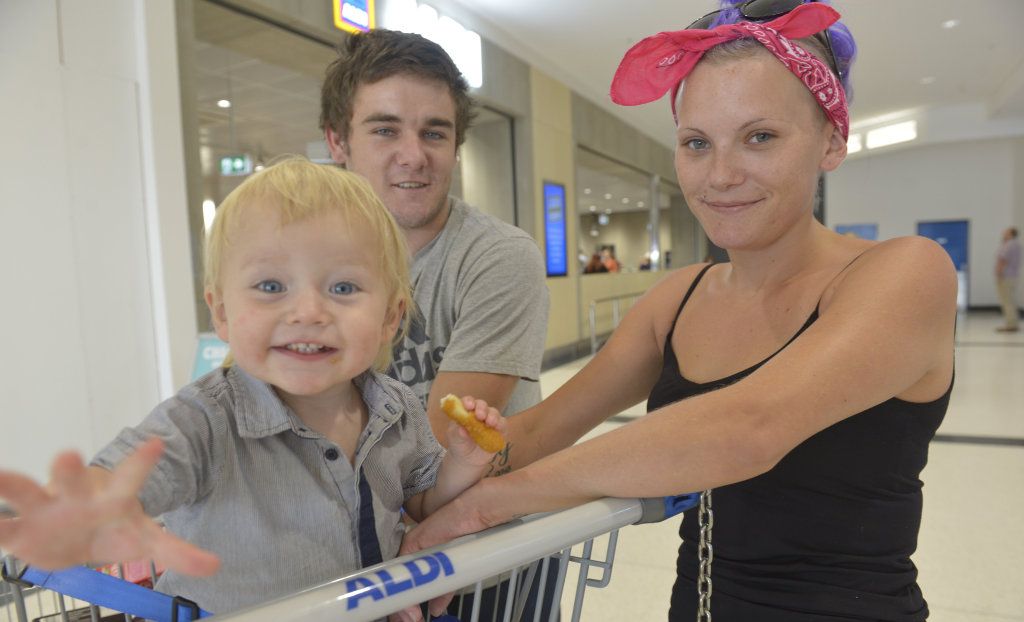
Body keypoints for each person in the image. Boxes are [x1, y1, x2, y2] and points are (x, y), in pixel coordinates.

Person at [398, 2, 957, 621]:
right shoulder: (678, 299)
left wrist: (486, 505)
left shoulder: (904, 272)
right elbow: (536, 433)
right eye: (696, 143)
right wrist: (429, 492)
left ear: (831, 140)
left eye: (759, 137)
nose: (720, 175)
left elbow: (747, 429)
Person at [0, 158, 506, 614]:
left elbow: (425, 504)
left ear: (391, 317)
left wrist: (463, 463)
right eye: (271, 287)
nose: (308, 312)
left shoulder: (396, 409)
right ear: (221, 311)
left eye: (343, 288)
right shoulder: (204, 422)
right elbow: (130, 474)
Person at [318, 29, 552, 619]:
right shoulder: (311, 263)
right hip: (363, 556)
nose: (414, 154)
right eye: (385, 128)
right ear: (337, 142)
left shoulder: (495, 257)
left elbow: (430, 458)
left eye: (434, 132)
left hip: (486, 563)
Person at [996, 226, 1020, 332]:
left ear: (1011, 234)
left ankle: (1010, 325)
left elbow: (1003, 260)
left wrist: (999, 273)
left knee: (1006, 301)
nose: (1004, 233)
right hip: (1013, 276)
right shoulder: (1017, 245)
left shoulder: (1008, 245)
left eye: (1006, 232)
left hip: (1005, 277)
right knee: (1010, 300)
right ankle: (1013, 323)